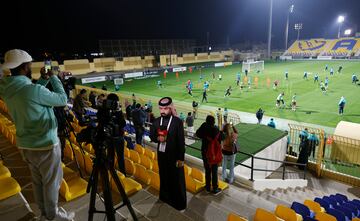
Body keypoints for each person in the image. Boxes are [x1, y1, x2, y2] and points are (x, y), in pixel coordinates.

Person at [0, 49, 74, 220]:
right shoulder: (32, 90)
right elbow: (62, 100)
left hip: (26, 145)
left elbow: (30, 94)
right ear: (25, 67)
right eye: (30, 65)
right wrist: (54, 77)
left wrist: (42, 80)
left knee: (37, 181)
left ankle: (44, 213)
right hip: (45, 144)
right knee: (50, 183)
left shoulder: (6, 88)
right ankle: (52, 216)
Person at [149, 97, 186, 210]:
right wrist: (157, 138)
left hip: (175, 157)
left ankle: (179, 203)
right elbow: (151, 136)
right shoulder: (156, 121)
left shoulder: (177, 122)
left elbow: (181, 142)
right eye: (160, 108)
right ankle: (165, 198)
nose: (162, 111)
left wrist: (181, 158)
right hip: (162, 156)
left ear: (170, 108)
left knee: (176, 179)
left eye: (165, 108)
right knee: (164, 177)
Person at [196, 115, 222, 195]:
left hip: (205, 151)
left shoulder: (204, 126)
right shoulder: (216, 129)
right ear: (213, 121)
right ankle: (215, 188)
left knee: (207, 169)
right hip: (213, 153)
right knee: (214, 170)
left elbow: (197, 134)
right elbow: (221, 138)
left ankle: (207, 187)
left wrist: (205, 136)